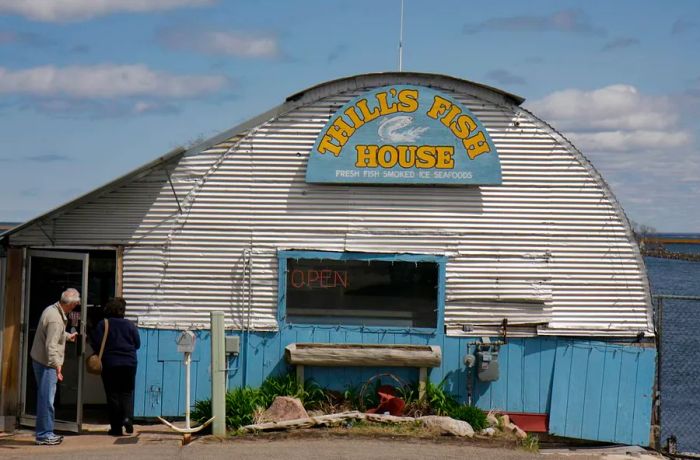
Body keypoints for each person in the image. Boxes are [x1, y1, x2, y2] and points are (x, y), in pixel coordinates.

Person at [30, 288, 80, 445]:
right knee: (47, 400)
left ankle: (45, 432)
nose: (77, 306)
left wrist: (67, 336)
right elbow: (51, 346)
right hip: (46, 363)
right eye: (76, 304)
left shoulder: (52, 310)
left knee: (45, 398)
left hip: (41, 360)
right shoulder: (56, 319)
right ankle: (45, 434)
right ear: (71, 305)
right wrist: (57, 366)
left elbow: (53, 333)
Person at [90, 297, 140, 436]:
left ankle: (116, 428)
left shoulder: (103, 324)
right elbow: (137, 344)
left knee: (113, 395)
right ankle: (127, 418)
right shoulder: (130, 325)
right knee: (127, 393)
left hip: (110, 364)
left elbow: (96, 343)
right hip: (129, 364)